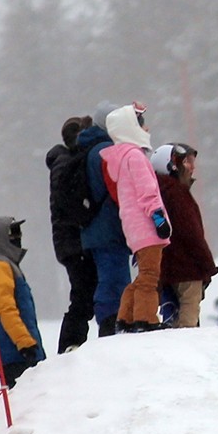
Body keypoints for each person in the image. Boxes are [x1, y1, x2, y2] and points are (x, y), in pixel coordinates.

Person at [99, 103, 170, 331]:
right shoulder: (135, 157)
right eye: (141, 124)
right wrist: (159, 218)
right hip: (146, 225)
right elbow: (147, 191)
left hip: (132, 228)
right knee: (150, 275)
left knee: (141, 276)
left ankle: (126, 317)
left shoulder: (119, 159)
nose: (146, 128)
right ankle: (145, 319)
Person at [77, 101, 132, 337]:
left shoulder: (90, 148)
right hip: (108, 226)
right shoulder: (106, 150)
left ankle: (113, 318)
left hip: (95, 228)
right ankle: (112, 321)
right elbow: (118, 188)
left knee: (111, 276)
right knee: (114, 277)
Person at [151, 143, 218, 328]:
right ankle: (185, 350)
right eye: (187, 162)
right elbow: (191, 233)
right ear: (171, 165)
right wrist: (208, 265)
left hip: (166, 267)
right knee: (188, 319)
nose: (192, 167)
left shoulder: (157, 192)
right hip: (187, 267)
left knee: (171, 316)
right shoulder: (177, 194)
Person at [45, 116, 96, 352]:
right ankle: (71, 343)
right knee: (82, 296)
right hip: (73, 243)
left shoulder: (63, 161)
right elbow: (67, 201)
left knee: (83, 294)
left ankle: (73, 343)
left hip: (69, 242)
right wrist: (87, 216)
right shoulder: (65, 163)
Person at [0, 215, 45, 388]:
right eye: (13, 234)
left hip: (16, 351)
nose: (18, 238)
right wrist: (25, 343)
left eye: (18, 232)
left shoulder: (7, 265)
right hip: (14, 353)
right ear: (1, 239)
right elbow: (5, 309)